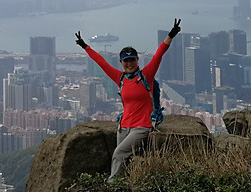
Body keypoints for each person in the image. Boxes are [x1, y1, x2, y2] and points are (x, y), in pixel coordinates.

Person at [75, 18, 181, 179]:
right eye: (126, 60)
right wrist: (85, 46)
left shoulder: (147, 76)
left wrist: (170, 35)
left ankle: (112, 187)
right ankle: (125, 185)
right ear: (121, 62)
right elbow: (101, 62)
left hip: (142, 126)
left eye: (132, 60)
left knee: (118, 153)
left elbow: (158, 54)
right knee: (125, 159)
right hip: (123, 126)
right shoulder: (120, 78)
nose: (129, 63)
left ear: (137, 60)